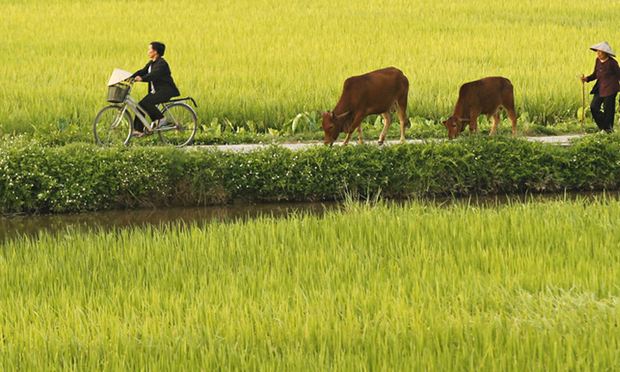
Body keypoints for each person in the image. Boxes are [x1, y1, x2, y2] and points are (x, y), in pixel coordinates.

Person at [130, 42, 180, 137]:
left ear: (155, 51)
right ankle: (138, 130)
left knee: (146, 103)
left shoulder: (162, 64)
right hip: (156, 91)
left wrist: (142, 78)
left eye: (149, 49)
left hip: (165, 91)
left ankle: (161, 119)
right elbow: (142, 71)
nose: (148, 52)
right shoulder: (151, 63)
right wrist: (130, 77)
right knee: (140, 105)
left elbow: (154, 75)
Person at [581, 41, 620, 133]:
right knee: (593, 107)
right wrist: (587, 78)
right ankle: (605, 127)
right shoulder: (598, 60)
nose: (598, 54)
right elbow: (595, 74)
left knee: (608, 110)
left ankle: (608, 130)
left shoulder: (612, 63)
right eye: (597, 52)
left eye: (600, 52)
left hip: (611, 88)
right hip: (600, 87)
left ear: (606, 53)